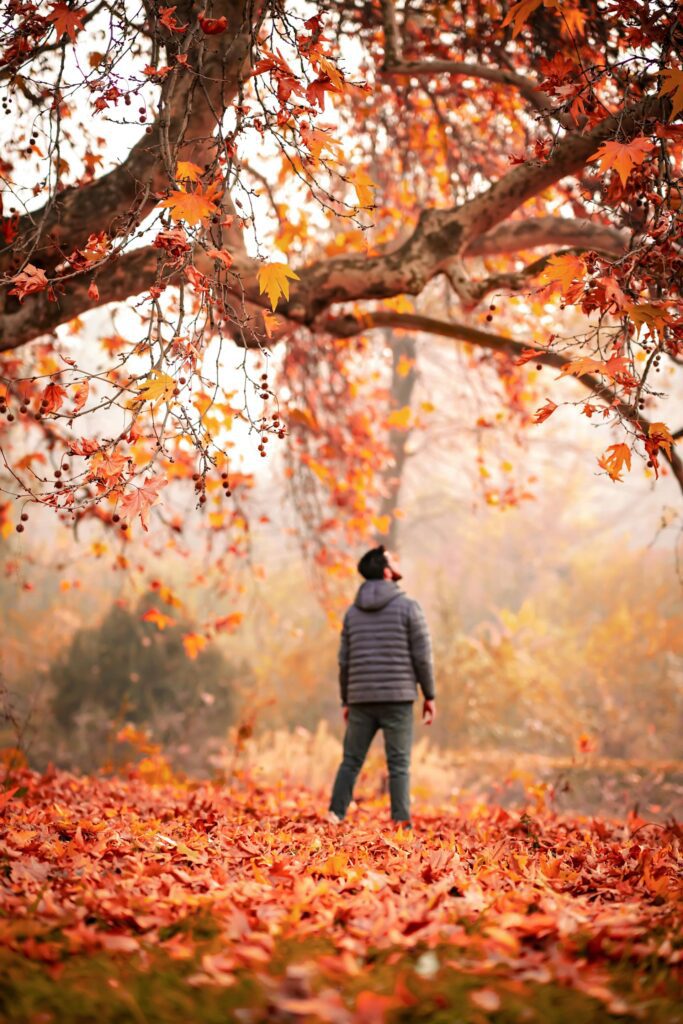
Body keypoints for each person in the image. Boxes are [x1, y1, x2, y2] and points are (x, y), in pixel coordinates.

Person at [328, 545, 436, 828]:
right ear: (387, 571)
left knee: (351, 760)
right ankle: (401, 823)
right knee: (399, 764)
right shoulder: (409, 607)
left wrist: (346, 701)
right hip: (397, 698)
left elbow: (344, 662)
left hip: (361, 698)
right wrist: (429, 695)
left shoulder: (352, 614)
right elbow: (422, 656)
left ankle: (335, 815)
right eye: (392, 559)